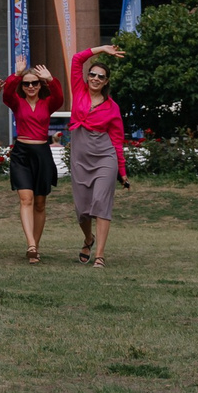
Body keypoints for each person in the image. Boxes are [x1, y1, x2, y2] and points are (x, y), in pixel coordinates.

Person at [68, 44, 130, 267]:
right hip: (80, 158)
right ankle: (88, 239)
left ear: (106, 82)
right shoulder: (78, 90)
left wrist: (122, 172)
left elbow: (117, 141)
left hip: (105, 157)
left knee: (101, 204)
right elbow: (76, 59)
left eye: (100, 76)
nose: (94, 78)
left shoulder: (112, 108)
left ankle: (100, 256)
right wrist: (102, 49)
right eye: (92, 74)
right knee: (82, 210)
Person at [0, 63, 60, 261]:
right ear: (22, 86)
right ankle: (31, 244)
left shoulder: (48, 102)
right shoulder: (17, 101)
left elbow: (60, 97)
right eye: (27, 84)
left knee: (40, 203)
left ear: (40, 85)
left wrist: (50, 79)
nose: (31, 87)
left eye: (35, 83)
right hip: (22, 153)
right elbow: (6, 94)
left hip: (42, 152)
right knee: (26, 199)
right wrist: (16, 75)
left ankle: (36, 244)